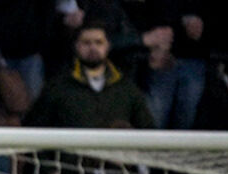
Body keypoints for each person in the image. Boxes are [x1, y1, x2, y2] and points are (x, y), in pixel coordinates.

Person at [25, 23, 154, 130]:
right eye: (86, 43)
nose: (93, 48)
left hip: (115, 160)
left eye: (99, 42)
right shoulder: (57, 87)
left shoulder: (126, 88)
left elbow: (147, 128)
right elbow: (36, 127)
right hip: (69, 160)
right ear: (76, 46)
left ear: (108, 46)